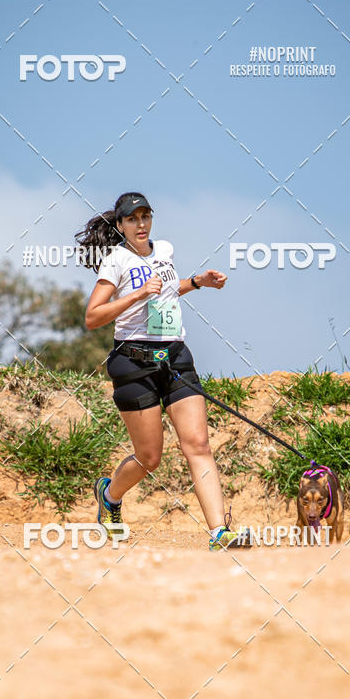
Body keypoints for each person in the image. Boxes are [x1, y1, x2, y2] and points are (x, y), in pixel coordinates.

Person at [76, 191, 251, 550]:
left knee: (198, 443)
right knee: (149, 458)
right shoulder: (116, 261)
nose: (140, 224)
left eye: (145, 216)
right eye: (132, 218)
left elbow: (168, 293)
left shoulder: (166, 250)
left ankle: (220, 531)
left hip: (175, 356)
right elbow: (93, 317)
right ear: (120, 225)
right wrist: (136, 295)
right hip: (132, 362)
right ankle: (110, 495)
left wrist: (198, 282)